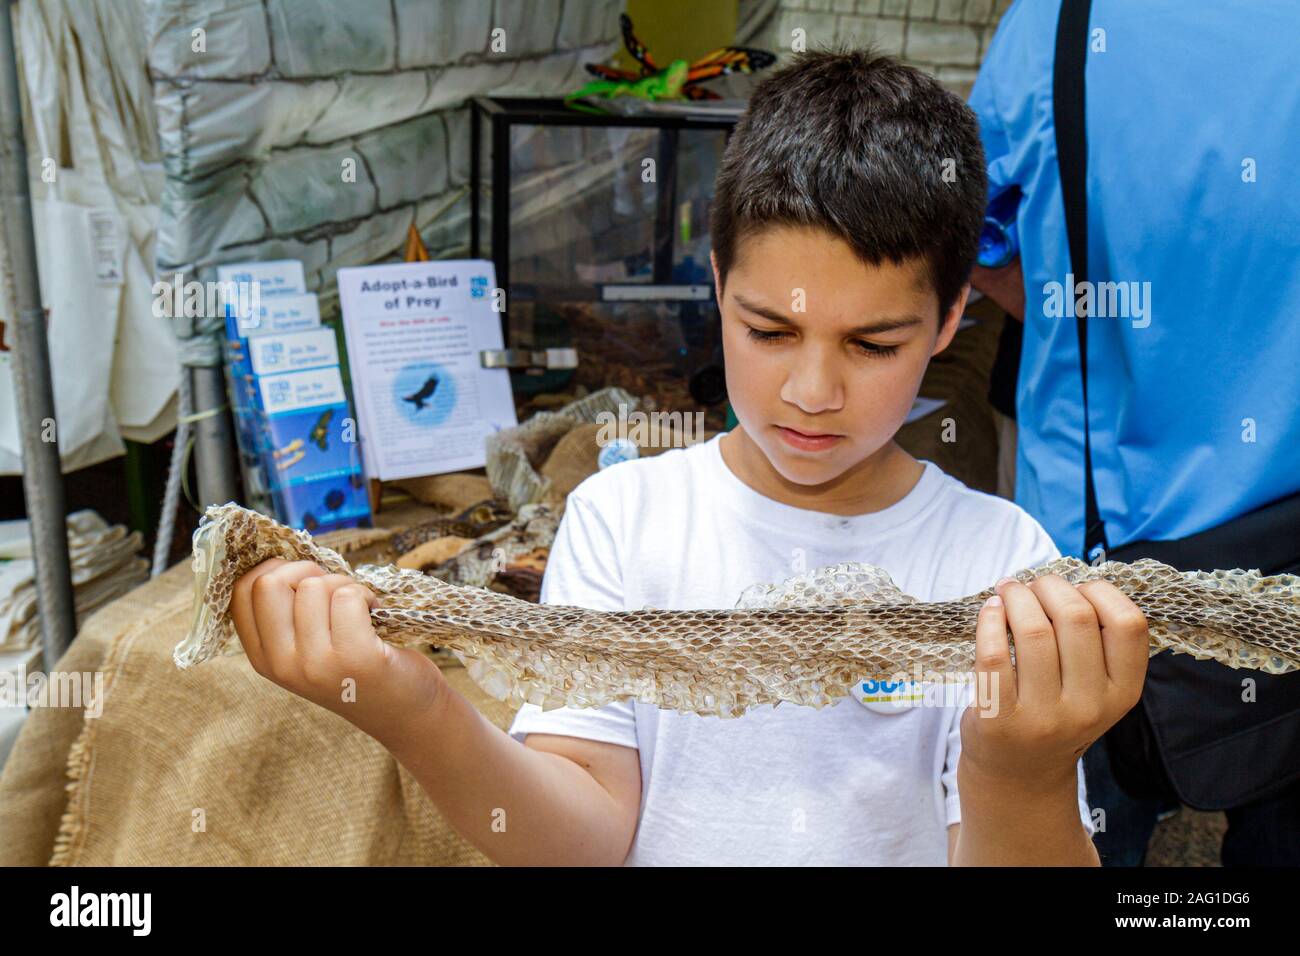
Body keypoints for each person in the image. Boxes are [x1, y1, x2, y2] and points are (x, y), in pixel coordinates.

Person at [225, 50, 1151, 866]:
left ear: (949, 320)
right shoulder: (623, 520)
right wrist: (415, 709)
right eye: (769, 330)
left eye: (873, 344)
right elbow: (576, 840)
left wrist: (1018, 772)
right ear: (716, 282)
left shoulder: (1000, 561)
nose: (812, 391)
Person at [968, 0, 1300, 865]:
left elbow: (968, 233)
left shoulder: (1057, 24)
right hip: (1279, 560)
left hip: (1099, 584)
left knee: (1081, 837)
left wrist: (1081, 318)